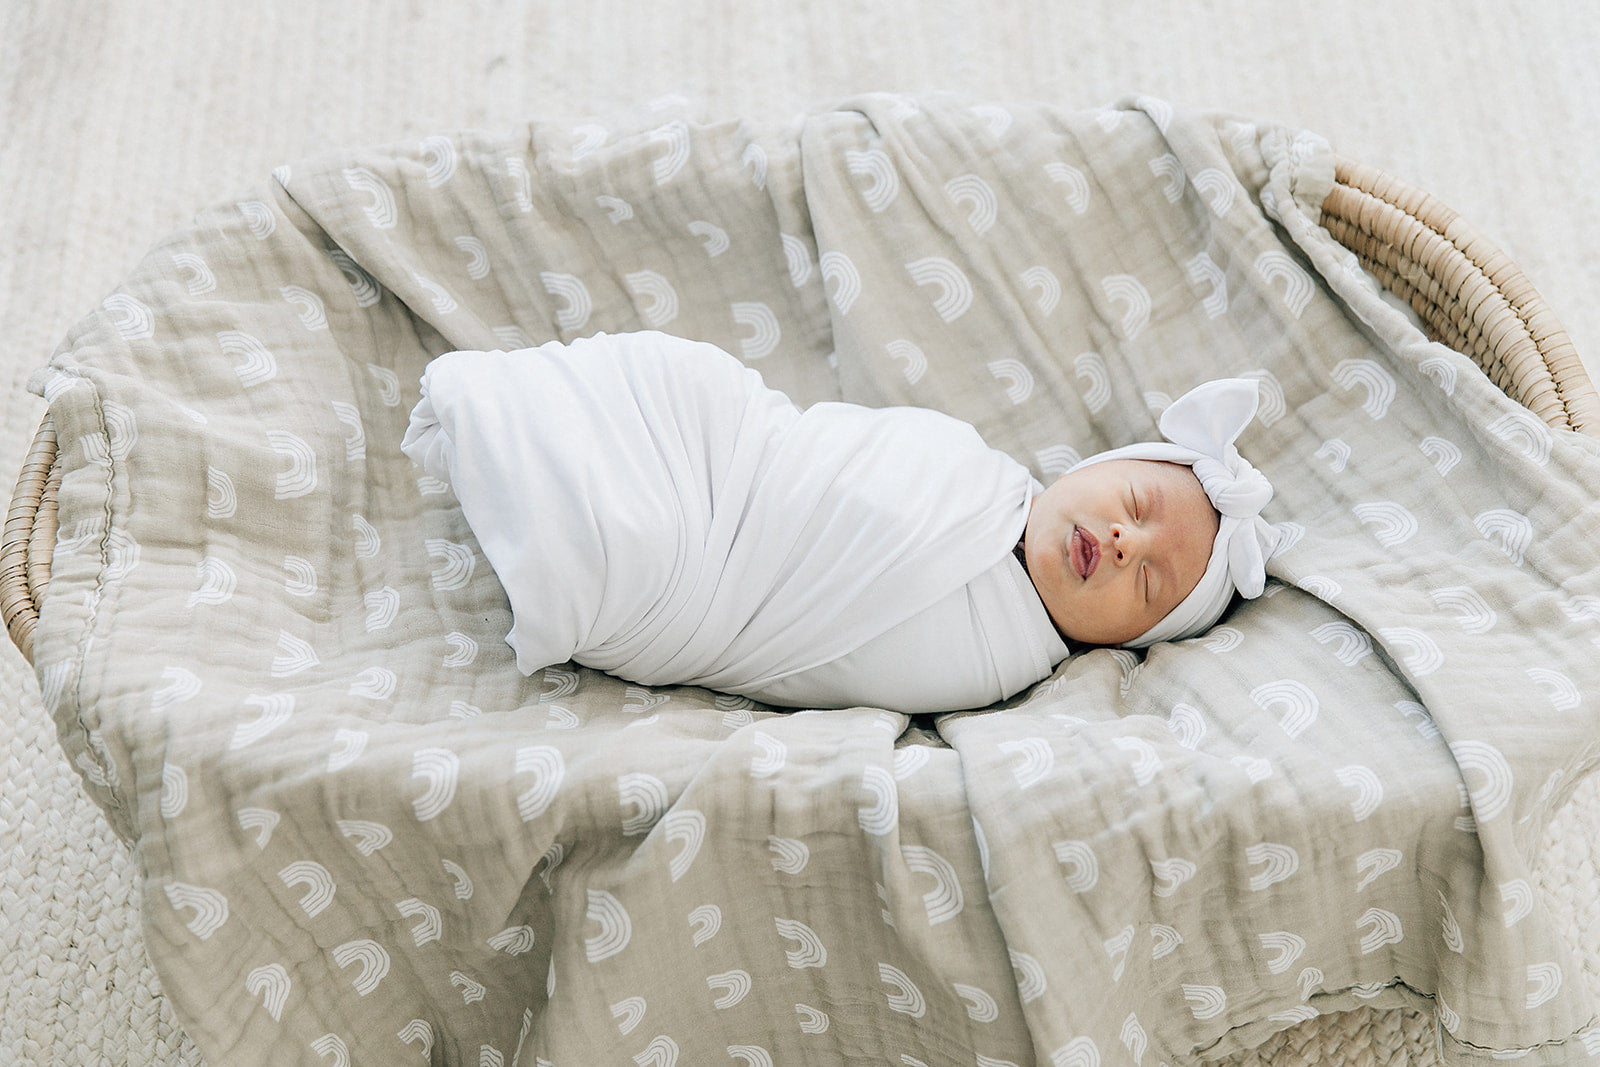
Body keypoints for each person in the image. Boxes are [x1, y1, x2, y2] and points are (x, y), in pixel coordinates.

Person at [401, 331, 1277, 714]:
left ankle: (550, 498)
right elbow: (820, 455)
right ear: (1083, 474)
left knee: (643, 539)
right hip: (743, 463)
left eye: (1150, 583)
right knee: (685, 379)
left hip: (723, 583)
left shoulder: (1000, 656)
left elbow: (846, 648)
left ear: (1120, 643)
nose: (1125, 545)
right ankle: (513, 431)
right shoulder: (971, 467)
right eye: (1132, 507)